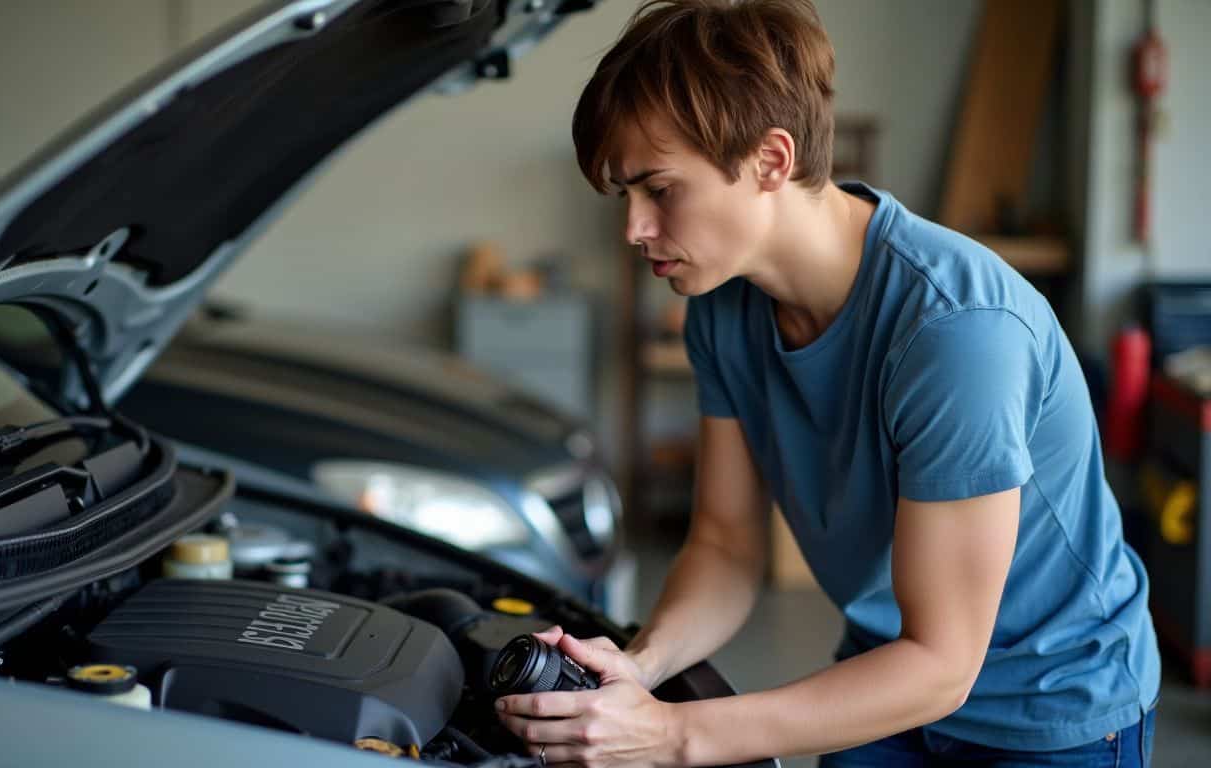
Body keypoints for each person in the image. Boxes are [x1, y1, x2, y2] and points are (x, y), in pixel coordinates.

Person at [492, 1, 1161, 765]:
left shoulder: (955, 332)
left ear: (772, 161)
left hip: (1051, 707)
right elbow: (724, 544)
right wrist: (639, 669)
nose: (633, 228)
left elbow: (942, 664)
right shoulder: (722, 310)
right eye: (625, 196)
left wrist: (674, 735)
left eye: (660, 189)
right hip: (889, 670)